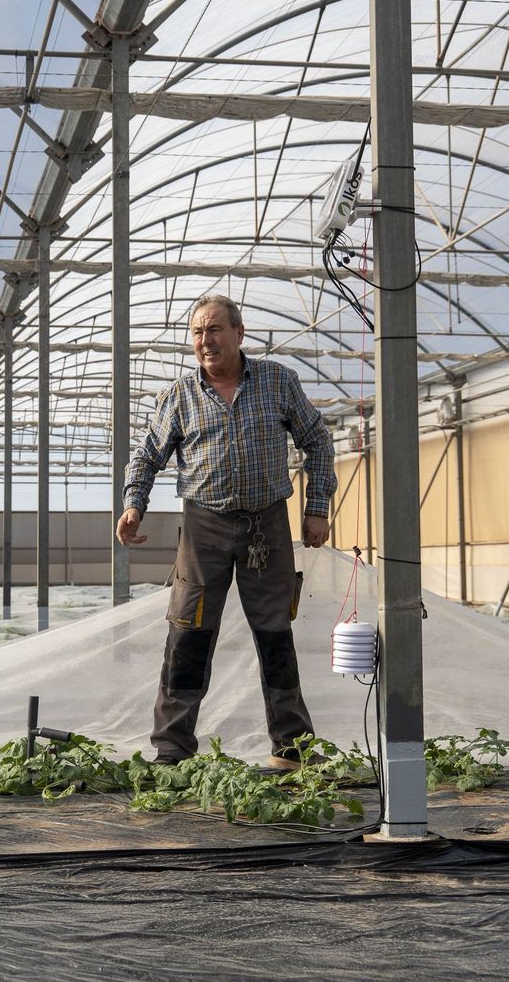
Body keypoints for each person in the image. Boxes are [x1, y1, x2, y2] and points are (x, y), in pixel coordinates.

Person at [117, 294, 336, 769]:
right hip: (204, 527)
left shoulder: (278, 381)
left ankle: (293, 746)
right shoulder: (176, 397)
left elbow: (317, 439)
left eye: (215, 329)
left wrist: (317, 508)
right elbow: (146, 455)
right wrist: (134, 504)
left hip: (267, 526)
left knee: (274, 633)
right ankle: (172, 748)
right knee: (188, 633)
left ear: (239, 334)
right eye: (197, 332)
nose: (205, 340)